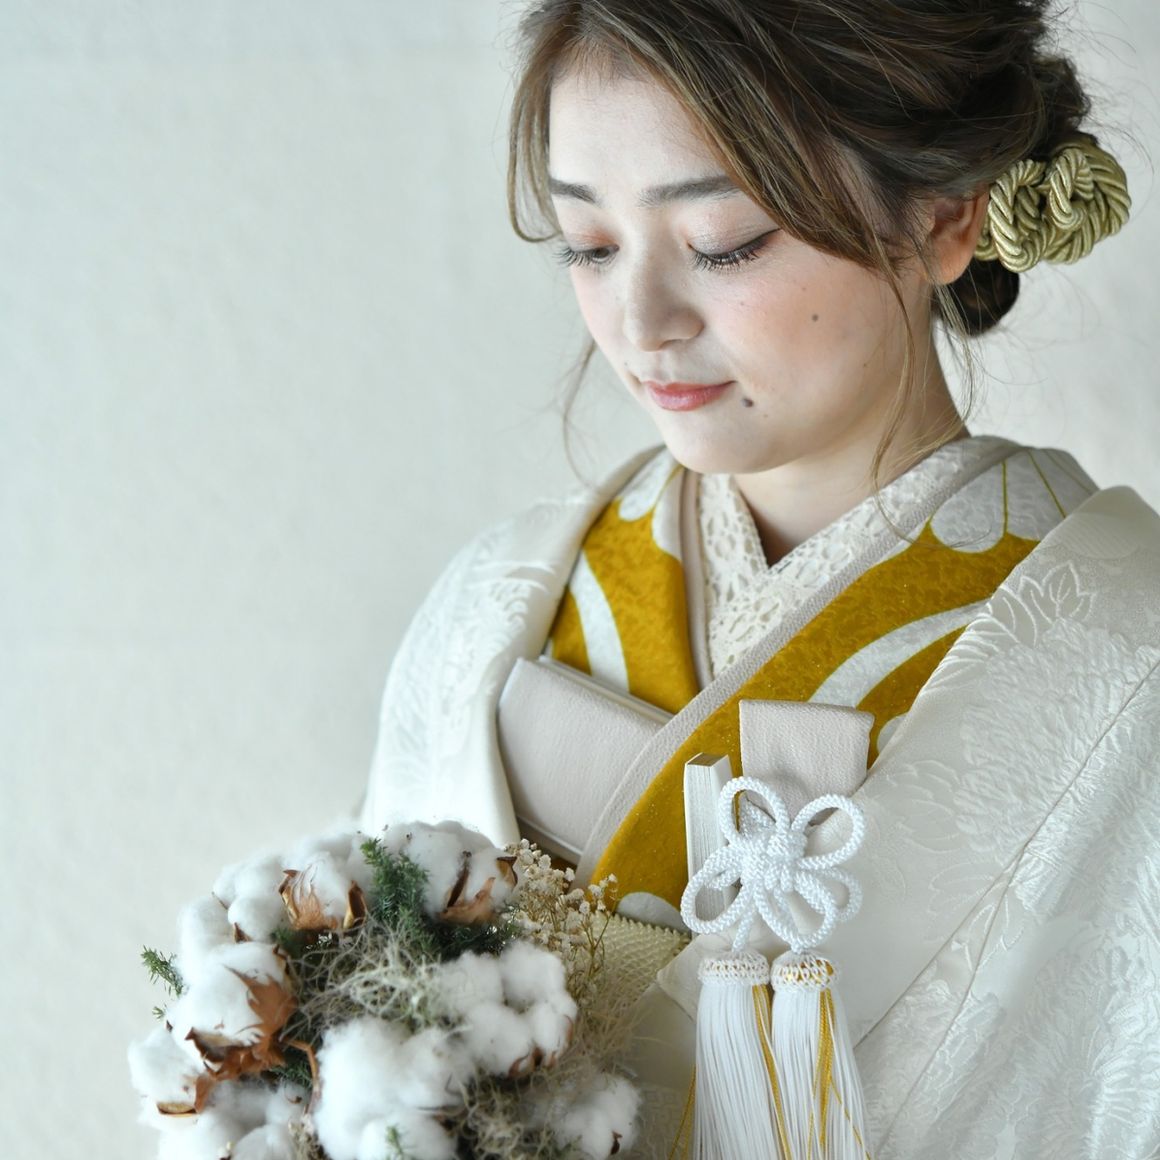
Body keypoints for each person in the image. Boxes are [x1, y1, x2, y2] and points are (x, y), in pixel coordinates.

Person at [361, 2, 1159, 1157]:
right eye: (589, 244)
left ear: (942, 215)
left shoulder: (1123, 652)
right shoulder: (492, 605)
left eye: (722, 241)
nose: (638, 321)